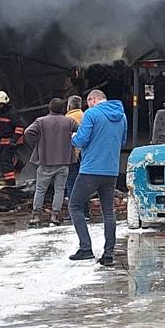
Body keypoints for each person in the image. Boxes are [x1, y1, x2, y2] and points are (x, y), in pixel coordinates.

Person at [69, 89, 127, 266]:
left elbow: (81, 141)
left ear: (92, 100)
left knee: (75, 205)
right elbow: (123, 141)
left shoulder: (91, 113)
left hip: (90, 170)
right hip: (111, 171)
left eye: (88, 102)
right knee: (108, 212)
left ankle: (86, 248)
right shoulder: (122, 116)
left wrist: (73, 137)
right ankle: (108, 254)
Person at [25, 98, 78, 227]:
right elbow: (82, 130)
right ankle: (55, 215)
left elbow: (28, 132)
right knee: (59, 190)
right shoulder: (69, 121)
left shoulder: (41, 121)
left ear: (49, 108)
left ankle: (36, 215)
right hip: (63, 162)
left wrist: (37, 145)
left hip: (45, 162)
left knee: (40, 189)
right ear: (63, 109)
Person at [0, 91, 26, 186]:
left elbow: (20, 127)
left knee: (5, 159)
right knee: (1, 156)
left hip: (14, 139)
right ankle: (18, 164)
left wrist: (14, 139)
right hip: (4, 138)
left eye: (0, 104)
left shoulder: (12, 113)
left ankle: (10, 181)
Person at [65, 95, 84, 198]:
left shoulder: (67, 119)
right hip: (84, 154)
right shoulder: (85, 115)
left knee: (71, 181)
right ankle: (83, 210)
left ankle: (72, 210)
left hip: (71, 155)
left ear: (68, 106)